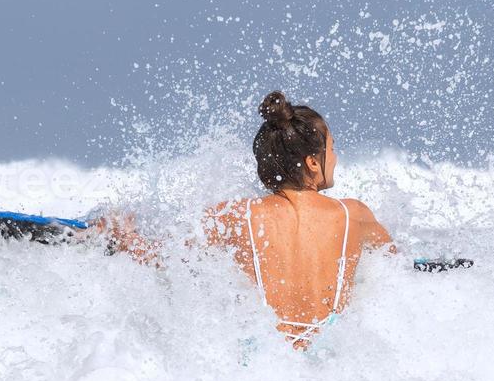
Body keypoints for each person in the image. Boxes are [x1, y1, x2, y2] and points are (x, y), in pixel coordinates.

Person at [98, 91, 396, 350]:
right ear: (313, 162)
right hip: (330, 358)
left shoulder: (236, 215)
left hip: (262, 358)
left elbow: (164, 257)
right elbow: (396, 267)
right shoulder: (354, 216)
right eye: (332, 149)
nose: (337, 158)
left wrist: (121, 234)